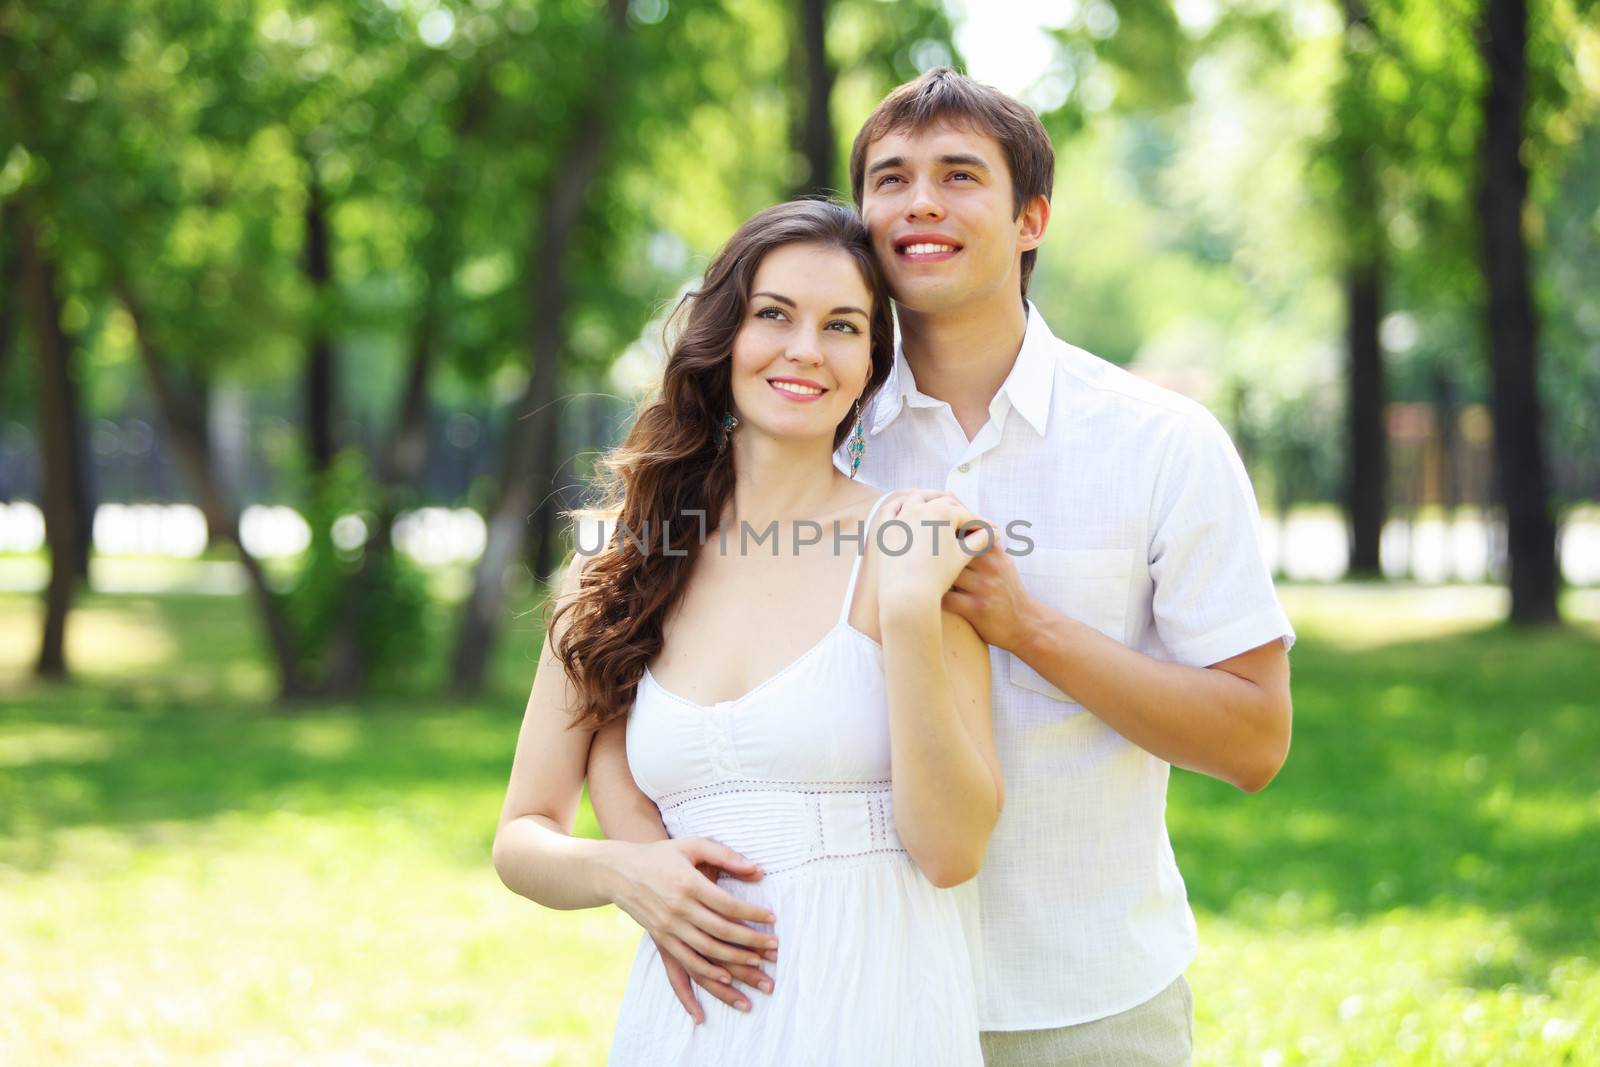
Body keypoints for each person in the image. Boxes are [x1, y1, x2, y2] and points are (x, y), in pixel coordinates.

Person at [619, 69, 1298, 1067]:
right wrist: (640, 857)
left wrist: (1029, 627)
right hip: (842, 993)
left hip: (1082, 996)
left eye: (958, 175)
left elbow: (1253, 739)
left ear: (1031, 219)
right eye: (889, 178)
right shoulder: (809, 432)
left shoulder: (1161, 443)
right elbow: (625, 663)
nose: (919, 202)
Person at [492, 198, 1003, 1065]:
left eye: (842, 326)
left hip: (875, 1007)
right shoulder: (618, 570)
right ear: (723, 335)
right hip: (694, 1024)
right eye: (774, 314)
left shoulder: (913, 543)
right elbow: (523, 833)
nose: (805, 348)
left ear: (872, 364)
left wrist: (911, 610)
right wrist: (627, 873)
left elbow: (952, 851)